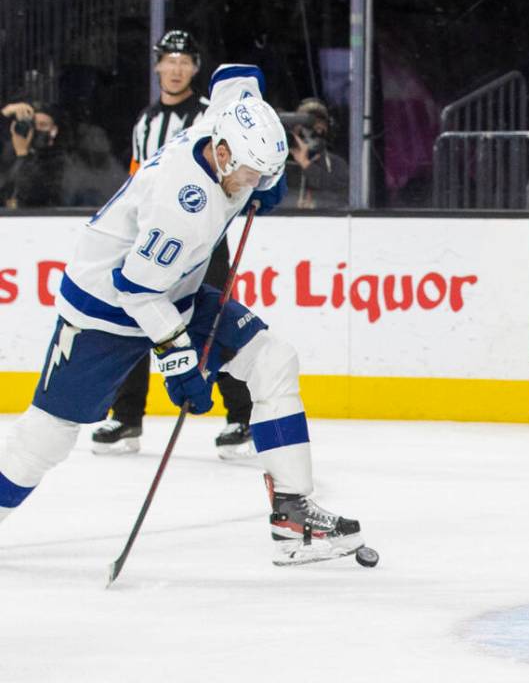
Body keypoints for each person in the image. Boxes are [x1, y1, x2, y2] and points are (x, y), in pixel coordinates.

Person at [0, 65, 368, 567]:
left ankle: (293, 516)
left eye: (261, 173)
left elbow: (233, 78)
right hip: (105, 309)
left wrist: (262, 169)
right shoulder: (183, 208)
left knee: (273, 360)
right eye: (247, 173)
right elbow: (135, 288)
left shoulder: (225, 123)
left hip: (174, 290)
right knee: (47, 437)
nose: (252, 183)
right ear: (220, 153)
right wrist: (178, 363)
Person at [90, 30, 255, 460]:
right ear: (159, 65)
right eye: (170, 60)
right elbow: (135, 181)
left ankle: (241, 417)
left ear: (195, 68)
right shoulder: (145, 123)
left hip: (202, 239)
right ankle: (127, 418)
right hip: (152, 238)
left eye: (185, 61)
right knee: (138, 314)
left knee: (213, 321)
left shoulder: (211, 117)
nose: (176, 68)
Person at [0, 101, 125, 208]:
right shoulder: (10, 153)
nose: (36, 130)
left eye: (43, 125)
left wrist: (23, 155)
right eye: (33, 125)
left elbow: (29, 196)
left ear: (54, 130)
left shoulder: (59, 160)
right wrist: (4, 114)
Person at [283, 98, 350, 209]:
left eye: (319, 122)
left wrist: (306, 165)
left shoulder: (337, 164)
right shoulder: (279, 163)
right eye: (307, 123)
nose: (313, 129)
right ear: (295, 129)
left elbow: (345, 202)